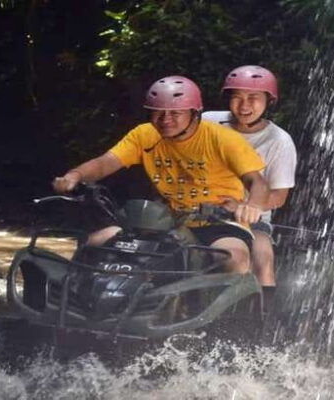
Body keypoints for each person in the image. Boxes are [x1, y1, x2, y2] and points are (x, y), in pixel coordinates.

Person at [53, 75, 269, 274]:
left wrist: (253, 206)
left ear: (195, 113)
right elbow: (106, 162)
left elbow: (257, 181)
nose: (165, 119)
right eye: (158, 112)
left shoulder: (222, 139)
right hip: (164, 223)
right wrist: (75, 175)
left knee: (234, 258)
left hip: (219, 224)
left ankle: (231, 317)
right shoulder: (145, 134)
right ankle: (77, 303)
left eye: (175, 113)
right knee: (94, 243)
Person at [203, 65, 298, 299]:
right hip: (197, 209)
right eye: (237, 98)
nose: (244, 106)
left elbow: (278, 196)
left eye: (253, 98)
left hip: (250, 220)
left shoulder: (280, 141)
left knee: (262, 259)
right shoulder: (207, 123)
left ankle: (258, 328)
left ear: (269, 102)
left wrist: (246, 208)